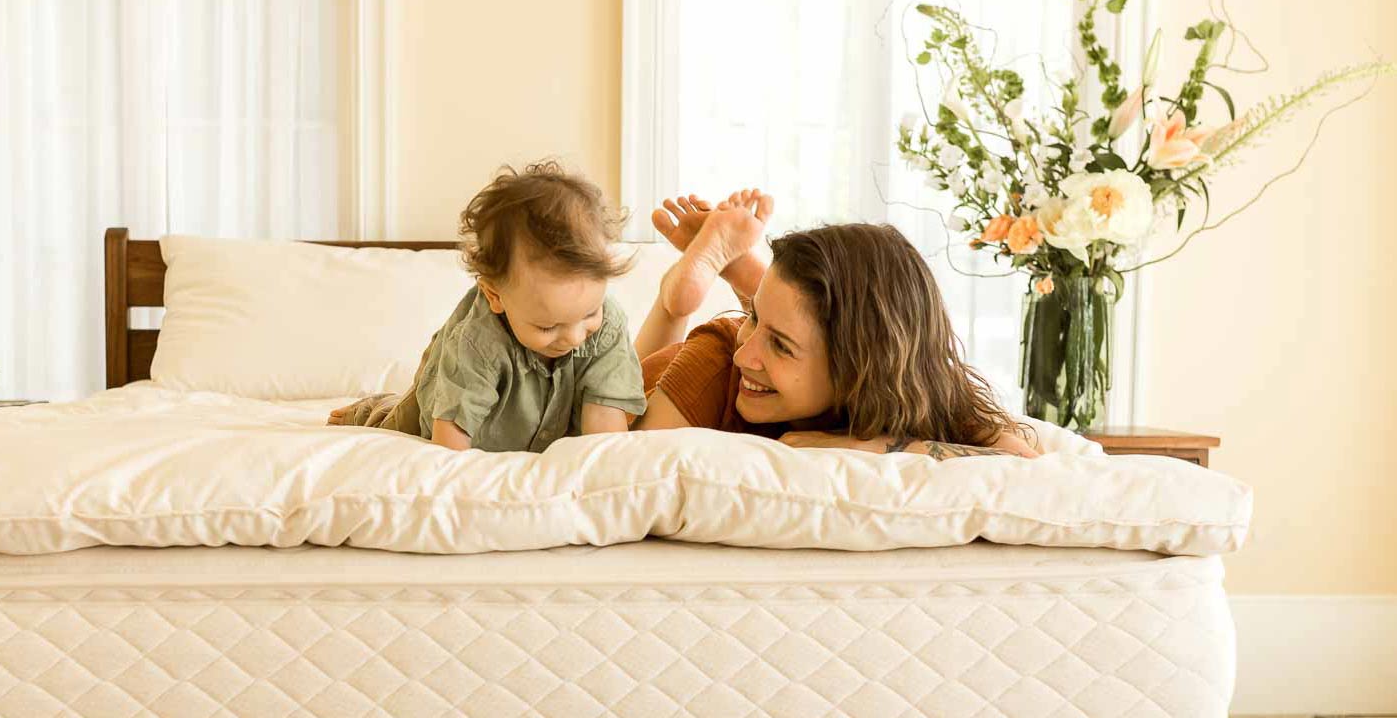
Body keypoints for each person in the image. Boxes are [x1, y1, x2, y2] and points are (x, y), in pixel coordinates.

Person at [634, 190, 1039, 458]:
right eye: (754, 317)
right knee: (621, 384)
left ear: (864, 365)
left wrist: (869, 445)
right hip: (641, 386)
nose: (747, 353)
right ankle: (681, 301)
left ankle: (747, 276)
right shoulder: (720, 361)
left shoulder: (913, 382)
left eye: (781, 345)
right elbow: (628, 461)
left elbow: (1020, 457)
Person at [327, 161, 647, 452]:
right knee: (403, 423)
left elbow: (606, 429)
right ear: (495, 296)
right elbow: (449, 441)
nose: (576, 337)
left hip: (550, 423)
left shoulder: (608, 325)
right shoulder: (477, 342)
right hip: (448, 407)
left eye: (590, 314)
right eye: (547, 326)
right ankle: (376, 408)